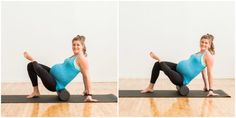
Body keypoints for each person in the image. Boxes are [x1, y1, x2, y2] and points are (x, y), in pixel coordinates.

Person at [24, 35, 98, 102]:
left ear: (82, 46)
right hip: (51, 75)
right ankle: (36, 91)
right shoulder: (75, 56)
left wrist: (89, 94)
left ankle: (33, 59)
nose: (75, 47)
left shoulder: (82, 59)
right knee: (30, 66)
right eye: (73, 45)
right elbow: (84, 76)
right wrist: (85, 90)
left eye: (78, 45)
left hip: (55, 84)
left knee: (36, 66)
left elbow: (86, 76)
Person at [141, 33, 219, 96]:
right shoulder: (199, 53)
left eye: (206, 43)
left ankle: (159, 59)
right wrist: (206, 86)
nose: (203, 44)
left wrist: (211, 89)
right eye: (202, 42)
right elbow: (203, 71)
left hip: (181, 79)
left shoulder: (209, 56)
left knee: (161, 64)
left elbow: (210, 74)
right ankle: (150, 87)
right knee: (157, 65)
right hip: (178, 69)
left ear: (209, 45)